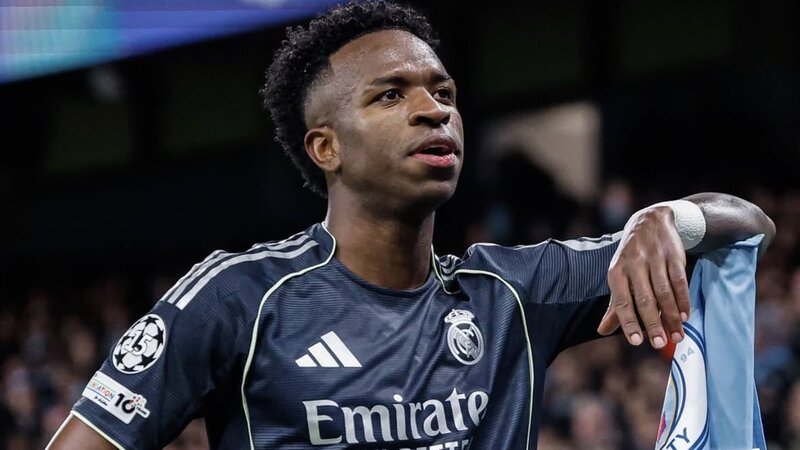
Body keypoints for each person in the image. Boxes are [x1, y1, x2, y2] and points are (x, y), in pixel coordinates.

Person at [47, 1, 775, 449]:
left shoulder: (513, 294)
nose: (434, 111)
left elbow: (745, 225)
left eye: (443, 92)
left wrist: (667, 218)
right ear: (326, 147)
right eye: (390, 96)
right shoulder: (238, 297)